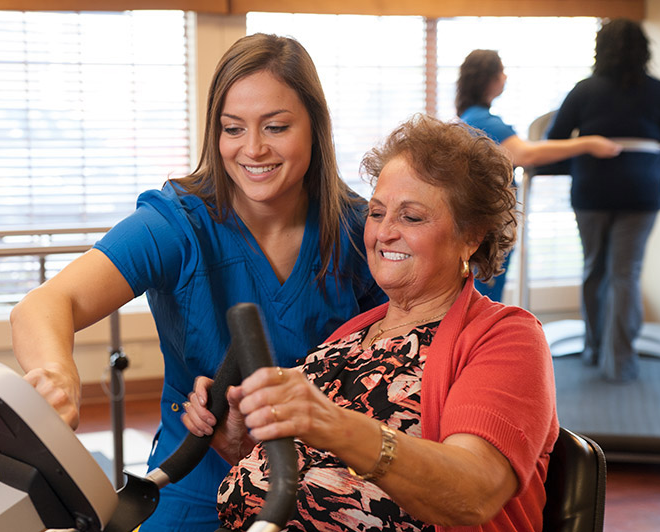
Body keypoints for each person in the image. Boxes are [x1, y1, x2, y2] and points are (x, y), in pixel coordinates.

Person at [9, 33, 387, 531]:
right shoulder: (179, 225)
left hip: (322, 483)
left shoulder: (360, 232)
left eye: (276, 127)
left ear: (315, 128)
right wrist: (57, 373)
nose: (253, 149)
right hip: (193, 479)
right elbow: (47, 302)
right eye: (233, 128)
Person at [184, 114, 559, 532]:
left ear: (471, 237)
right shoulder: (354, 332)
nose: (384, 233)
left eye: (411, 218)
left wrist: (333, 423)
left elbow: (474, 493)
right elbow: (307, 472)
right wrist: (240, 435)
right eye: (378, 213)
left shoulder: (506, 337)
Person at [546, 18, 660, 382]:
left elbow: (555, 140)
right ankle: (620, 364)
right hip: (640, 192)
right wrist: (654, 164)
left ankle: (594, 352)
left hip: (591, 191)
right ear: (643, 50)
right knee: (626, 274)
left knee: (594, 269)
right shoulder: (659, 91)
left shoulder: (584, 90)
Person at [456, 49, 622, 302]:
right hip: (484, 227)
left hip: (482, 224)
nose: (505, 77)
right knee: (481, 298)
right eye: (502, 71)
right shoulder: (483, 121)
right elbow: (526, 154)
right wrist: (589, 144)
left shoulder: (470, 118)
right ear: (490, 79)